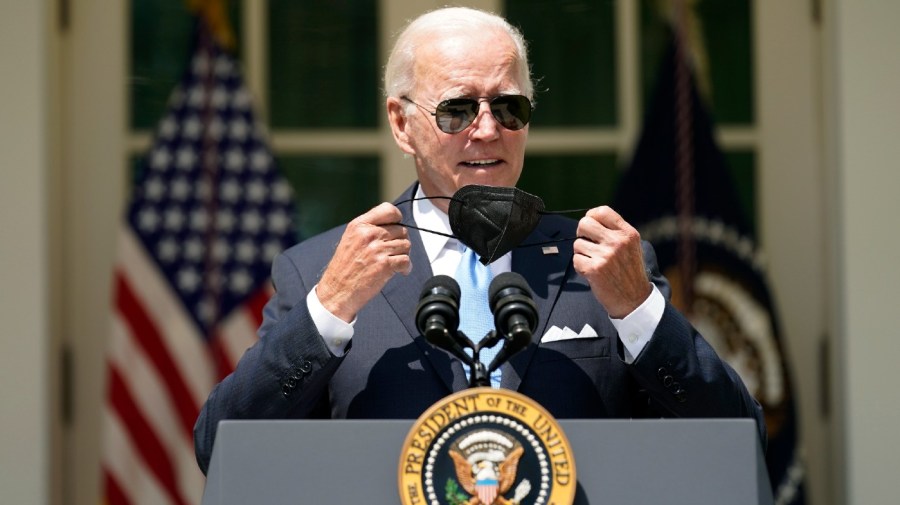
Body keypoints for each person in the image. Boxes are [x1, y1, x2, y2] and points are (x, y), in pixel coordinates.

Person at [193, 7, 765, 474]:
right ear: (401, 123)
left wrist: (641, 315)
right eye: (458, 109)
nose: (487, 129)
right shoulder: (320, 269)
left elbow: (739, 435)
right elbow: (219, 446)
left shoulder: (605, 262)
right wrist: (327, 311)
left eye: (509, 107)